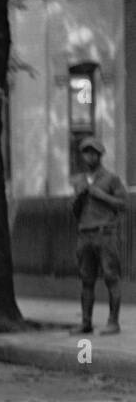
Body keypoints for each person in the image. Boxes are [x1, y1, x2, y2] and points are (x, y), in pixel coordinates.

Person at [70, 136, 126, 335]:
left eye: (93, 152)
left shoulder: (111, 178)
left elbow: (123, 204)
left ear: (99, 155)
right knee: (86, 280)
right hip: (85, 233)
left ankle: (113, 322)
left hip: (105, 233)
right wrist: (79, 198)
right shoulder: (79, 181)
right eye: (86, 152)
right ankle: (86, 322)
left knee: (111, 277)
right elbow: (75, 213)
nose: (89, 156)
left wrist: (100, 195)